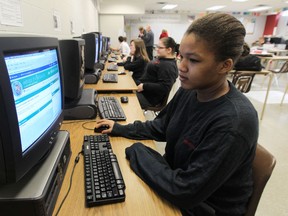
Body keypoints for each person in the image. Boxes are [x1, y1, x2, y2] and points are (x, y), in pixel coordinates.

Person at [95, 13, 259, 216]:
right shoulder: (191, 90)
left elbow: (185, 191)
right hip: (177, 181)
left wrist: (137, 151)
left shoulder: (233, 122)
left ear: (224, 65)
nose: (180, 67)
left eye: (194, 60)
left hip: (204, 207)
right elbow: (160, 127)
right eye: (181, 56)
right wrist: (119, 128)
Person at [136, 36, 178, 109]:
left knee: (123, 97)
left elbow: (164, 87)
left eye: (160, 48)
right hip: (143, 92)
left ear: (169, 50)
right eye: (157, 47)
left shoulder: (167, 66)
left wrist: (144, 86)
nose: (157, 50)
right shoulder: (163, 60)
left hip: (148, 99)